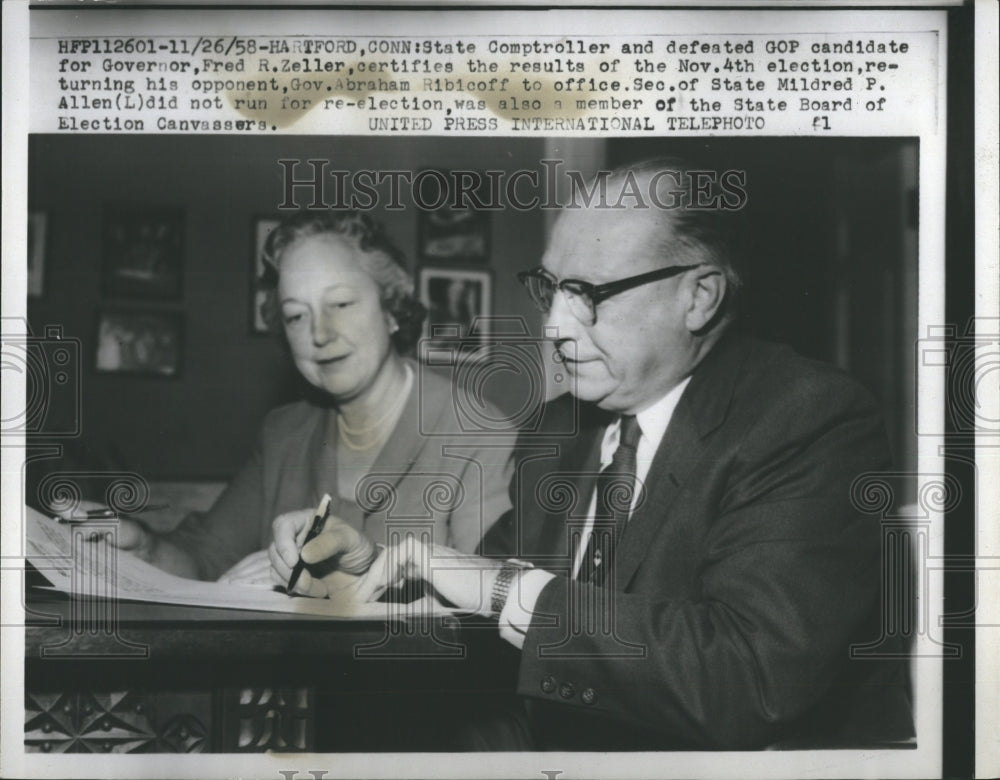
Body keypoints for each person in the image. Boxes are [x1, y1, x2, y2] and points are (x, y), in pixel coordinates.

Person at [269, 160, 915, 750]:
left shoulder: (807, 419)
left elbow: (746, 678)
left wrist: (502, 588)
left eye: (591, 295)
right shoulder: (559, 431)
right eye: (550, 288)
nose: (554, 326)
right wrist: (383, 568)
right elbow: (485, 590)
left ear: (700, 296)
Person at [66, 210, 513, 584]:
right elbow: (206, 557)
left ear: (393, 308)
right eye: (296, 316)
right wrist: (142, 546)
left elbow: (489, 599)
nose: (320, 333)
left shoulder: (478, 433)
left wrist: (351, 574)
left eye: (340, 304)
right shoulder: (285, 431)